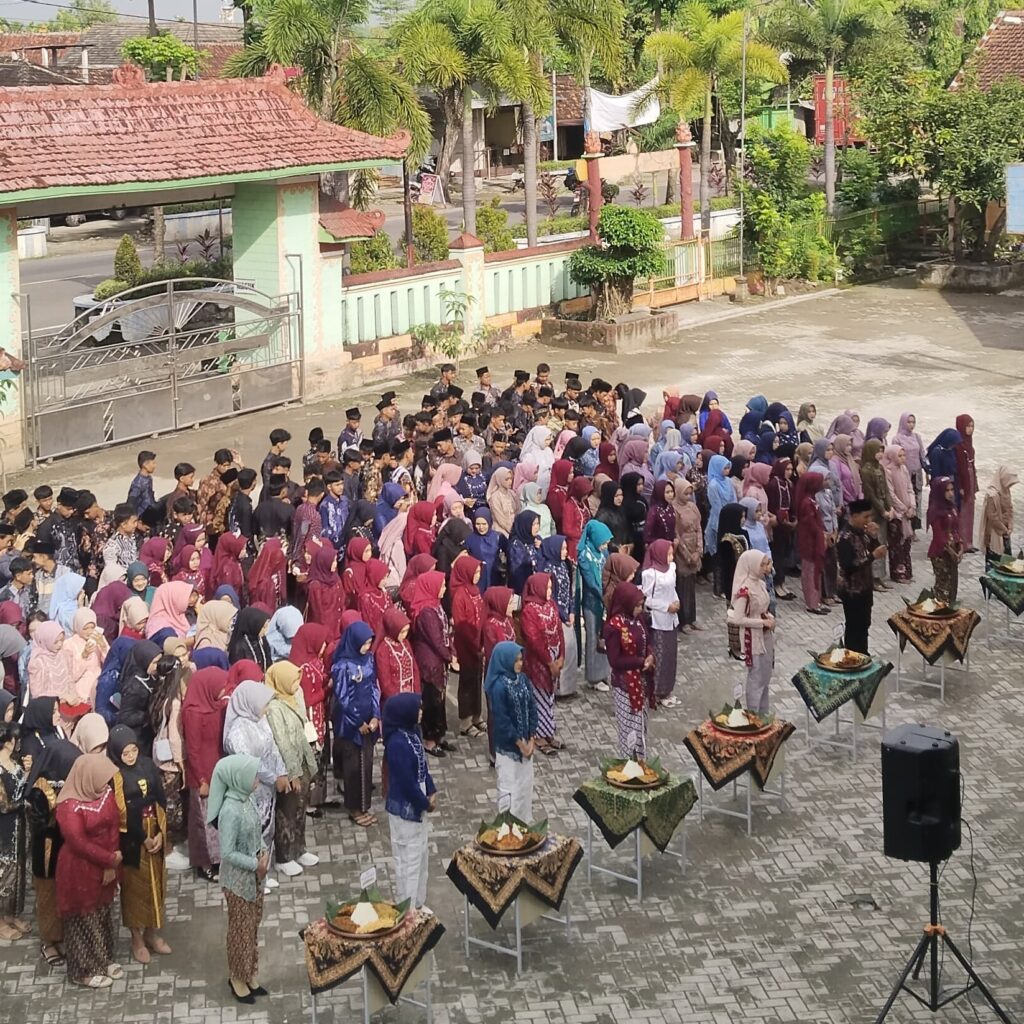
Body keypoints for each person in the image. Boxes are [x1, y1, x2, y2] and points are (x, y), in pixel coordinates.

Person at [54, 752, 122, 989]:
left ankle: (103, 959)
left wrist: (111, 862)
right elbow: (78, 842)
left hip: (106, 864)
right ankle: (83, 970)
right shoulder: (68, 807)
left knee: (103, 914)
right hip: (79, 868)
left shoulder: (105, 794)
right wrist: (109, 859)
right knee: (83, 919)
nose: (105, 784)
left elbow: (114, 824)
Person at [207, 753, 270, 1005]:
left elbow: (258, 829)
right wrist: (256, 864)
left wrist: (263, 850)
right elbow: (228, 853)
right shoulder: (230, 810)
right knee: (239, 931)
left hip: (255, 878)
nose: (257, 779)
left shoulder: (247, 799)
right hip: (238, 882)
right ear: (239, 778)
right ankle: (237, 978)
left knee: (252, 927)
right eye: (253, 775)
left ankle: (250, 973)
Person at [106, 725, 171, 963]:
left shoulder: (147, 765)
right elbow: (121, 813)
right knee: (135, 888)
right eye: (126, 752)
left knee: (158, 884)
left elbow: (160, 797)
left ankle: (152, 932)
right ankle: (136, 938)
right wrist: (143, 838)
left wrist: (161, 833)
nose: (131, 756)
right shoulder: (115, 775)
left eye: (133, 750)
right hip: (133, 838)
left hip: (155, 827)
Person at [222, 681, 286, 891]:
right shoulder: (238, 731)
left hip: (267, 789)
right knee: (252, 833)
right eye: (264, 704)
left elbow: (273, 747)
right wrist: (272, 777)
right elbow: (249, 764)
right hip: (251, 789)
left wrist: (282, 771)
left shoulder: (260, 720)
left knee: (267, 830)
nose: (266, 709)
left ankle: (264, 874)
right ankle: (252, 879)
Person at [264, 662, 318, 876]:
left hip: (302, 756)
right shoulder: (274, 707)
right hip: (286, 766)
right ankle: (284, 856)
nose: (297, 684)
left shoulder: (297, 694)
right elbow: (282, 741)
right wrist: (293, 772)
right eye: (293, 680)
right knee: (286, 810)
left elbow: (303, 723)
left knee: (301, 807)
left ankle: (299, 848)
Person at [383, 693, 436, 909]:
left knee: (421, 857)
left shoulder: (413, 733)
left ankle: (419, 904)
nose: (421, 712)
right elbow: (406, 782)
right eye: (418, 708)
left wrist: (431, 790)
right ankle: (407, 908)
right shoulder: (396, 744)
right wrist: (425, 803)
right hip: (406, 809)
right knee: (408, 860)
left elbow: (422, 765)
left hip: (418, 803)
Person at [181, 666, 228, 882]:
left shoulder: (218, 705)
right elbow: (193, 750)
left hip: (219, 768)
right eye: (220, 688)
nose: (223, 691)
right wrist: (201, 779)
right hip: (203, 774)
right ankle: (206, 863)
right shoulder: (193, 712)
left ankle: (222, 858)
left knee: (219, 818)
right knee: (204, 821)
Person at [331, 621, 380, 828]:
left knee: (366, 764)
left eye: (370, 643)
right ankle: (353, 807)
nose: (367, 647)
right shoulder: (342, 667)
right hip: (351, 726)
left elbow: (374, 689)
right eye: (364, 643)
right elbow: (342, 699)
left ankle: (364, 804)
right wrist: (357, 722)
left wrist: (375, 715)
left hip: (369, 722)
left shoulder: (368, 659)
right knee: (353, 767)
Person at [484, 641, 537, 821]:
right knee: (509, 789)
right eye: (515, 660)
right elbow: (502, 720)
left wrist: (531, 739)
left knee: (524, 787)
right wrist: (519, 743)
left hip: (526, 747)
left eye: (521, 659)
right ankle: (508, 831)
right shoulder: (499, 687)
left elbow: (531, 706)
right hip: (508, 749)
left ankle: (524, 826)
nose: (520, 664)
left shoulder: (523, 680)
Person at [603, 582, 653, 758]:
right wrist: (639, 662)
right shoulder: (613, 628)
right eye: (637, 606)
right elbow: (615, 660)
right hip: (625, 686)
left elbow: (647, 640)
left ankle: (641, 762)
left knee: (641, 725)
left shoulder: (638, 620)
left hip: (642, 682)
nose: (640, 609)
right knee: (629, 728)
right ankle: (629, 765)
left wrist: (650, 655)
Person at [408, 571, 454, 758]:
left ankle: (439, 734)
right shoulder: (426, 612)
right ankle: (429, 739)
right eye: (442, 585)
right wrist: (450, 656)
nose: (444, 589)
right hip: (430, 662)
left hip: (439, 660)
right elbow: (435, 639)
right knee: (431, 699)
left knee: (439, 699)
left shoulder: (435, 605)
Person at [520, 573, 565, 754]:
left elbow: (559, 630)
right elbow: (534, 639)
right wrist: (549, 662)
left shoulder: (551, 605)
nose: (549, 591)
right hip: (538, 661)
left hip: (554, 656)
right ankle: (538, 735)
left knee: (549, 697)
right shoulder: (529, 611)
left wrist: (561, 656)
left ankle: (548, 732)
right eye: (546, 588)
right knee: (539, 697)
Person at [727, 549, 776, 713]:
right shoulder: (744, 590)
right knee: (756, 677)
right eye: (762, 564)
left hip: (766, 635)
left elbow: (762, 607)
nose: (766, 568)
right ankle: (754, 714)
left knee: (766, 676)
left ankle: (763, 714)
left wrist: (768, 617)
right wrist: (761, 623)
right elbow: (738, 619)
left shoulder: (760, 584)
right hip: (753, 638)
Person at [836, 499, 887, 655]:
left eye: (870, 516)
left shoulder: (863, 534)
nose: (869, 521)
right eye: (865, 517)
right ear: (854, 516)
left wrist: (873, 537)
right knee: (854, 628)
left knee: (865, 625)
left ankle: (863, 654)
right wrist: (872, 557)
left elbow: (878, 549)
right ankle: (853, 657)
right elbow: (848, 566)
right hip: (852, 591)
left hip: (865, 588)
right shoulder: (845, 537)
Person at [640, 540, 679, 708]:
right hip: (658, 618)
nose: (670, 557)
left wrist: (676, 602)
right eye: (668, 554)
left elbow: (673, 589)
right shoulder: (650, 574)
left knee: (671, 656)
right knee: (659, 656)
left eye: (671, 554)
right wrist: (665, 606)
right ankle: (654, 691)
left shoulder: (672, 569)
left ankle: (667, 689)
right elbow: (646, 598)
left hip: (671, 619)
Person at [0, 718, 29, 942]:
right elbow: (3, 805)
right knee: (4, 875)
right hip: (5, 829)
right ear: (9, 741)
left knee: (18, 871)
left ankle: (10, 914)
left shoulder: (13, 761)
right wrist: (24, 804)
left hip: (19, 826)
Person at [450, 556, 484, 738]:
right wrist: (474, 646)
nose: (477, 576)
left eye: (479, 572)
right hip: (467, 647)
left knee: (478, 680)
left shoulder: (476, 591)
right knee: (467, 682)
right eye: (475, 572)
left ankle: (477, 715)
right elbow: (461, 625)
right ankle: (465, 721)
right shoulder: (460, 596)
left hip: (479, 645)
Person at [576, 520, 612, 692]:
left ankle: (604, 672)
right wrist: (604, 595)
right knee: (593, 637)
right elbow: (591, 581)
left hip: (605, 599)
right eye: (603, 543)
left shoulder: (603, 553)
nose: (605, 547)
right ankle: (593, 676)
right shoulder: (585, 556)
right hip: (592, 603)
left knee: (605, 636)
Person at [881, 445, 915, 582]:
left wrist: (912, 506)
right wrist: (902, 508)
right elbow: (891, 494)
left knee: (906, 543)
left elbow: (910, 488)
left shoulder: (904, 469)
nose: (902, 458)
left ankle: (907, 571)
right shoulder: (888, 471)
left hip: (907, 512)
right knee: (897, 544)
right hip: (897, 514)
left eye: (903, 455)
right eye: (899, 456)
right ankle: (898, 573)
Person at [927, 477, 963, 603]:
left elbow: (956, 529)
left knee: (953, 586)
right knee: (943, 587)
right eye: (947, 490)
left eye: (952, 490)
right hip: (940, 554)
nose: (951, 493)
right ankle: (939, 616)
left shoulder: (952, 507)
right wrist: (952, 553)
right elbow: (939, 536)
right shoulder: (935, 510)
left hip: (953, 552)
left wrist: (961, 547)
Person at [979, 466, 1018, 566]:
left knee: (1006, 562)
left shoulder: (1006, 491)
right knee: (995, 561)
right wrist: (1004, 529)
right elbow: (992, 517)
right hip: (995, 534)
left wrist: (1010, 524)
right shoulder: (992, 495)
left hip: (1005, 532)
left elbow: (1010, 509)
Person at [953, 414, 979, 552]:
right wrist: (961, 486)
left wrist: (975, 484)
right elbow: (958, 468)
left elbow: (972, 464)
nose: (970, 429)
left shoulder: (969, 442)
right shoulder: (957, 444)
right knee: (961, 512)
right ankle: (961, 542)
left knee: (970, 511)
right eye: (968, 426)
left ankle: (969, 542)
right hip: (962, 481)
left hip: (970, 478)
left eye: (972, 426)